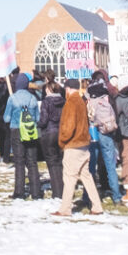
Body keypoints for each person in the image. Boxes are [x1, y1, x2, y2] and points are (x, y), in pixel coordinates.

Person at [52, 78, 104, 217]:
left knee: (69, 177)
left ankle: (65, 209)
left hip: (73, 146)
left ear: (68, 89)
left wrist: (62, 141)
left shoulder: (70, 102)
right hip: (84, 145)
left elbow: (68, 127)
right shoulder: (81, 101)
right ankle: (97, 206)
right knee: (86, 177)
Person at [5, 73, 42, 200]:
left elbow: (6, 117)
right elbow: (38, 118)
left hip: (16, 131)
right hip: (31, 131)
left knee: (19, 162)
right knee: (32, 162)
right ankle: (36, 192)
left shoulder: (12, 98)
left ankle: (19, 192)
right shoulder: (33, 98)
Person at [86, 77, 122, 204]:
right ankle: (116, 196)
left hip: (94, 134)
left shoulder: (90, 103)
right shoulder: (106, 102)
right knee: (111, 167)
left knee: (91, 167)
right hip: (107, 134)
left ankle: (88, 196)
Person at [38, 81, 65, 198]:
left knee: (52, 163)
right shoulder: (63, 101)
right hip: (61, 133)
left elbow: (43, 120)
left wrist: (37, 124)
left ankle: (57, 192)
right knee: (60, 161)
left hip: (49, 133)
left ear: (49, 89)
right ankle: (63, 189)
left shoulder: (46, 102)